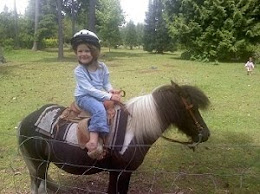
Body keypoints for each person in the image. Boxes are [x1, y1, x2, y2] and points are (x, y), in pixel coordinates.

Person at [71, 29, 121, 159]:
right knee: (99, 109)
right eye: (79, 51)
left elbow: (106, 83)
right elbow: (89, 89)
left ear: (94, 52)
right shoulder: (79, 71)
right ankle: (93, 140)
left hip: (98, 94)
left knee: (118, 108)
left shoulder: (102, 67)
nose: (83, 54)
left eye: (87, 51)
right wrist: (109, 96)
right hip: (84, 96)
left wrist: (111, 90)